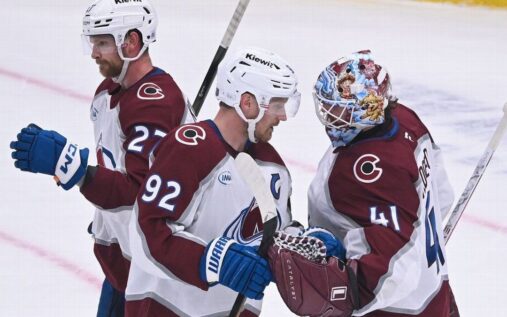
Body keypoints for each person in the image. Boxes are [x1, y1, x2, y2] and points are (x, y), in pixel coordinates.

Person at [9, 0, 192, 316]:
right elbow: (116, 166)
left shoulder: (155, 105)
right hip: (125, 258)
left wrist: (74, 168)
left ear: (131, 42)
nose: (94, 52)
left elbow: (141, 193)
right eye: (93, 42)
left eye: (103, 42)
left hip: (156, 273)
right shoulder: (107, 92)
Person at [267, 50, 460, 316]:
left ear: (365, 110)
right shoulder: (407, 121)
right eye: (327, 106)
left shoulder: (364, 172)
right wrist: (417, 240)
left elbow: (387, 275)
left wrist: (346, 288)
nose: (328, 115)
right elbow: (442, 196)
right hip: (434, 296)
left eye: (337, 109)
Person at [125, 47, 301, 316]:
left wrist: (304, 244)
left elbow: (275, 232)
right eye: (277, 105)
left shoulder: (273, 166)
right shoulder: (188, 148)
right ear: (248, 103)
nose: (283, 116)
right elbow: (145, 237)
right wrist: (213, 261)